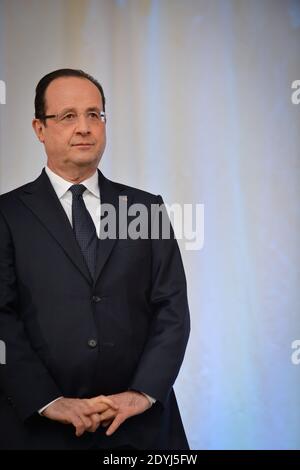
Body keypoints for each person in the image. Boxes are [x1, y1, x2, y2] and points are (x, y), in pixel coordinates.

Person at [0, 69, 190, 450]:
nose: (84, 127)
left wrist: (143, 393)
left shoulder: (142, 208)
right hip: (38, 428)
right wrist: (47, 400)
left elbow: (171, 310)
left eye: (94, 114)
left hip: (140, 428)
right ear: (40, 128)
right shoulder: (8, 214)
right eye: (67, 116)